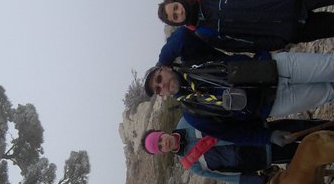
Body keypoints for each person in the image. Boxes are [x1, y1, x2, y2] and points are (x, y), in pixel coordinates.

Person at [143, 51, 334, 144]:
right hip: (275, 103)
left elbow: (183, 34)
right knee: (328, 93)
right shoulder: (193, 113)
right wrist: (267, 136)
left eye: (160, 78)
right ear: (163, 95)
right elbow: (233, 134)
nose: (163, 85)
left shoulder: (192, 59)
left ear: (165, 68)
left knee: (330, 66)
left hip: (276, 68)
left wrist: (165, 55)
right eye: (158, 89)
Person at [142, 120, 334, 184]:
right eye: (159, 147)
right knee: (304, 152)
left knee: (309, 127)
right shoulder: (192, 165)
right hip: (261, 156)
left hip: (261, 131)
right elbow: (226, 176)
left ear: (161, 132)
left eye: (159, 139)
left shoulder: (188, 120)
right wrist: (255, 181)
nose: (163, 143)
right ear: (161, 153)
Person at [158, 0, 334, 52]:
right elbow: (245, 44)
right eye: (175, 17)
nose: (178, 12)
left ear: (178, 1)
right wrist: (281, 40)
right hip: (291, 29)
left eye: (175, 8)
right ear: (177, 23)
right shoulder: (205, 34)